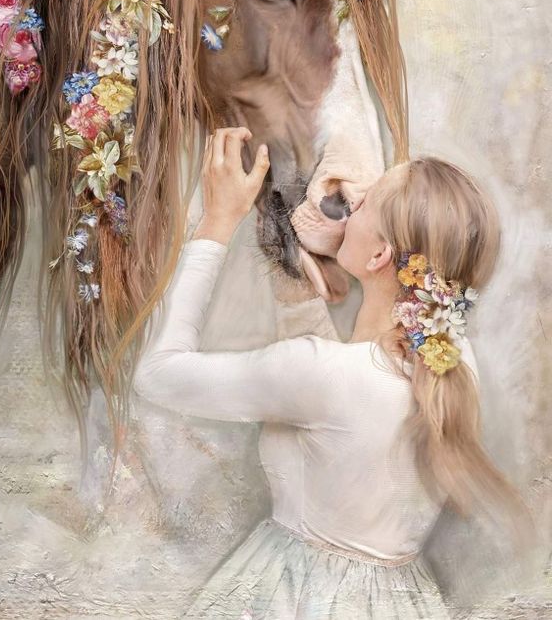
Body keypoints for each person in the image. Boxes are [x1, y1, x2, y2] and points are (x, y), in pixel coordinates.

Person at [134, 127, 526, 619]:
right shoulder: (450, 363)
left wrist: (217, 221)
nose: (350, 202)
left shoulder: (319, 373)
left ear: (381, 256)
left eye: (363, 204)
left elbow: (157, 374)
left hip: (293, 597)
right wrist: (314, 258)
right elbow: (354, 386)